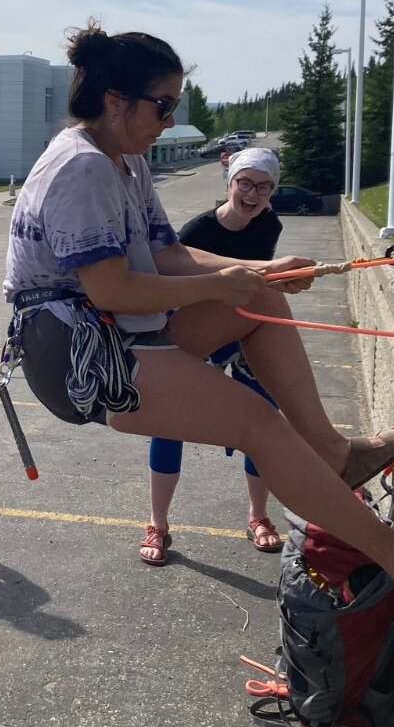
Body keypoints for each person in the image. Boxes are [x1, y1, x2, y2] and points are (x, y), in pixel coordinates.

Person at [3, 22, 394, 596]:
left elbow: (167, 254)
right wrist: (221, 284)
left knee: (261, 299)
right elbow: (113, 291)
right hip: (80, 359)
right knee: (258, 424)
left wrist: (263, 274)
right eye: (163, 106)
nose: (170, 121)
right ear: (115, 101)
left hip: (109, 334)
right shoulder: (83, 166)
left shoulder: (123, 158)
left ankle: (335, 456)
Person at [140, 146, 286, 565]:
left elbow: (255, 285)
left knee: (264, 413)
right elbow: (172, 285)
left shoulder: (268, 224)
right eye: (245, 183)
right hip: (191, 331)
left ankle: (258, 516)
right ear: (230, 184)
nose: (252, 194)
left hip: (238, 331)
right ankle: (158, 523)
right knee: (168, 424)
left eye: (263, 186)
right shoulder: (198, 230)